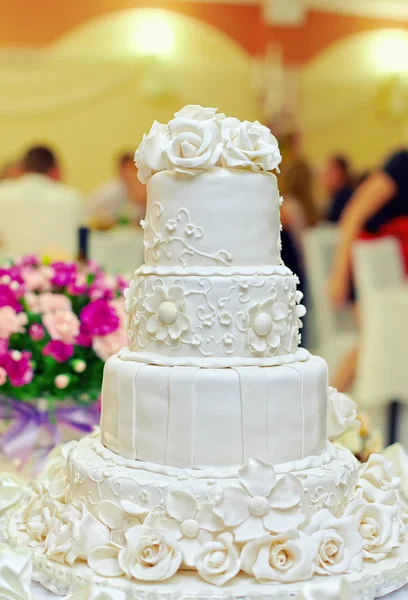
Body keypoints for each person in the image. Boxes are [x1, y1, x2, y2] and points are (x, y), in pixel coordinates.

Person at [328, 148, 408, 390]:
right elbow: (354, 213)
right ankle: (327, 402)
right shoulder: (402, 165)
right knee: (377, 337)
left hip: (397, 281)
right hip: (374, 277)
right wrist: (339, 274)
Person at [0, 145, 83, 259]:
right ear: (54, 169)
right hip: (61, 272)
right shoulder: (71, 197)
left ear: (22, 167)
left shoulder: (3, 193)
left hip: (13, 272)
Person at [86, 152, 146, 229]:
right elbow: (91, 210)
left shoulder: (141, 187)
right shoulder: (109, 190)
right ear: (120, 170)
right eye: (126, 169)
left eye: (132, 169)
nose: (129, 174)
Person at [325, 154, 354, 223]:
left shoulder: (344, 197)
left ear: (343, 173)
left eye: (331, 172)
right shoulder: (335, 196)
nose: (326, 176)